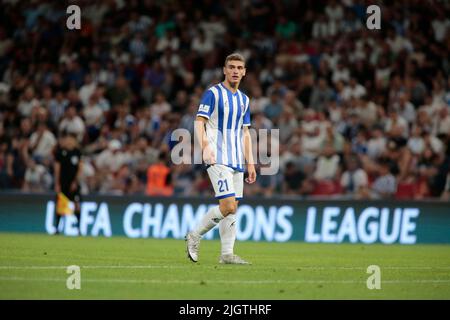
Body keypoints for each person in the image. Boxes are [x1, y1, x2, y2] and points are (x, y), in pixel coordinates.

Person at [185, 53, 257, 264]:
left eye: (239, 68)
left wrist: (250, 162)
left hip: (236, 160)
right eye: (231, 67)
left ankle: (227, 254)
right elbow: (199, 122)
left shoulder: (244, 100)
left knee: (232, 207)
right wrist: (205, 146)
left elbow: (245, 133)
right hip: (217, 156)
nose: (235, 71)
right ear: (225, 70)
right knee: (228, 206)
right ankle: (194, 235)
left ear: (244, 72)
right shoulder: (213, 93)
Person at [53, 132, 83, 234]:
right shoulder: (60, 153)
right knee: (60, 205)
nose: (69, 141)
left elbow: (80, 168)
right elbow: (57, 169)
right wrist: (57, 183)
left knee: (77, 205)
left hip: (73, 183)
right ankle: (57, 229)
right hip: (63, 183)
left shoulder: (77, 152)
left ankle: (79, 229)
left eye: (71, 139)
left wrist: (75, 181)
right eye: (67, 139)